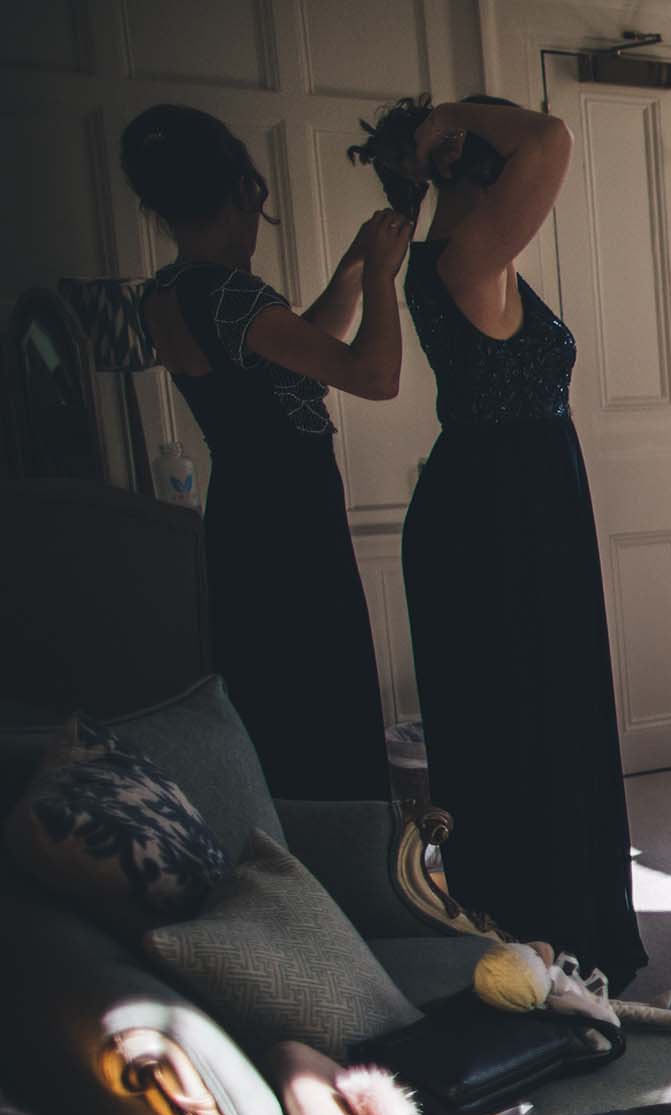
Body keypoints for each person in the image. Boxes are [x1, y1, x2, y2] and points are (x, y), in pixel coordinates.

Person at [346, 95, 646, 992]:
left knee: (540, 712)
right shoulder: (462, 259)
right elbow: (550, 138)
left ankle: (548, 915)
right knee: (523, 715)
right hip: (499, 515)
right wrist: (453, 113)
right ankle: (538, 921)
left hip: (514, 503)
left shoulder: (470, 260)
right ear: (471, 166)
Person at [121, 105, 412, 799]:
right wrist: (380, 279)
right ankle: (342, 867)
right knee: (319, 699)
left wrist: (350, 267)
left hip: (241, 517)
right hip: (293, 527)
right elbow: (374, 376)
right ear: (242, 195)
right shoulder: (231, 294)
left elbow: (298, 356)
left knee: (269, 704)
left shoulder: (167, 294)